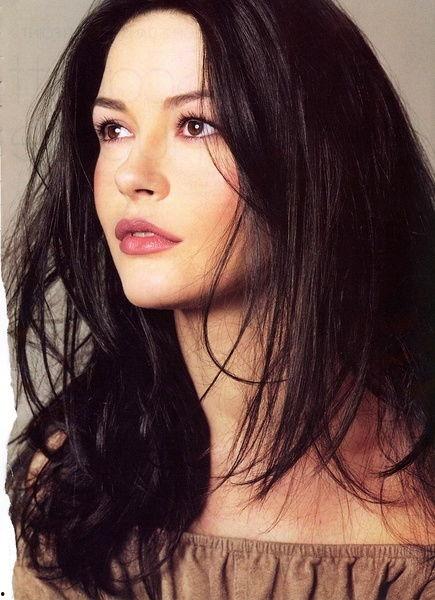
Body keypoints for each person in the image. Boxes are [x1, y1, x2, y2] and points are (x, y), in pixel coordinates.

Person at [3, 0, 434, 598]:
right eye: (114, 129)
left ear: (315, 155)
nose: (131, 174)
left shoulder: (419, 518)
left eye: (196, 124)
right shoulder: (76, 481)